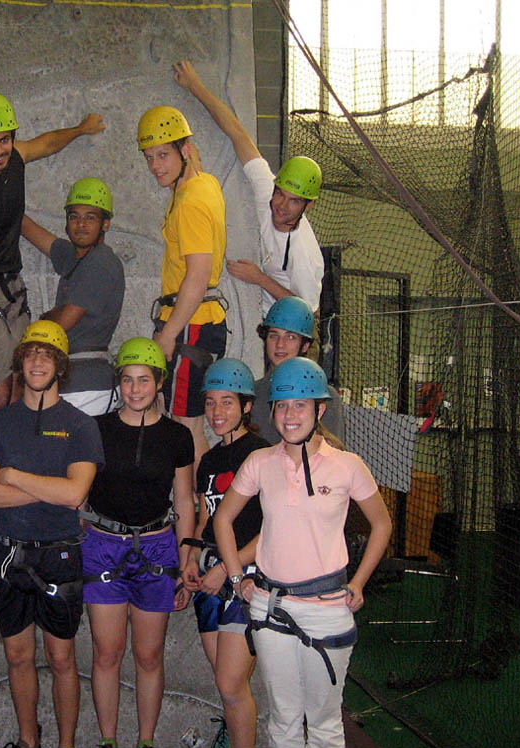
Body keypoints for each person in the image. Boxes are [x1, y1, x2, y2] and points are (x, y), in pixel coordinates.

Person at [213, 358, 392, 748]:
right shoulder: (260, 462)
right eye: (281, 406)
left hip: (327, 608)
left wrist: (360, 582)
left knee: (326, 721)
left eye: (299, 406)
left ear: (319, 410)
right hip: (271, 606)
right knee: (283, 719)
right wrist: (238, 576)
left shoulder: (347, 466)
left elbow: (382, 523)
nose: (288, 415)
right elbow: (223, 518)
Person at [0, 320, 104, 748]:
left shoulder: (81, 425)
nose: (38, 362)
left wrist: (12, 476)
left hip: (60, 553)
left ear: (60, 367)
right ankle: (30, 741)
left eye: (47, 356)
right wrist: (50, 489)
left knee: (62, 656)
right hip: (8, 552)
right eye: (31, 355)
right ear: (20, 362)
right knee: (17, 654)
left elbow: (75, 495)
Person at [0, 91, 105, 417]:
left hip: (11, 286)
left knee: (20, 386)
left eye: (4, 140)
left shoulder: (14, 159)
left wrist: (80, 129)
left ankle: (1, 464)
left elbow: (48, 143)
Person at [82, 338, 196, 748]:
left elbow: (184, 500)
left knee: (149, 655)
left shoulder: (177, 436)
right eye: (127, 380)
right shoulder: (97, 428)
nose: (134, 389)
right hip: (104, 546)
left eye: (143, 380)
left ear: (159, 382)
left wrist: (186, 560)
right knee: (107, 652)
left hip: (157, 546)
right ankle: (109, 744)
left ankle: (146, 744)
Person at [173, 60, 324, 319]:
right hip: (264, 318)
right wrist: (195, 86)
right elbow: (237, 134)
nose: (281, 205)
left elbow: (307, 310)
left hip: (294, 327)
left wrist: (259, 278)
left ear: (308, 206)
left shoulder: (305, 254)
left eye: (294, 202)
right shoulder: (268, 194)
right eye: (280, 194)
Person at [182, 359, 269, 748]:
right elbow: (204, 518)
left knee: (231, 684)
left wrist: (226, 570)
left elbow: (274, 530)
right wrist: (192, 563)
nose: (217, 412)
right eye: (212, 403)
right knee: (227, 685)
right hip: (213, 576)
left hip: (246, 577)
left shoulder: (263, 455)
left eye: (228, 403)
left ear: (247, 407)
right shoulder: (212, 461)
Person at [137, 104, 227, 470]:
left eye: (163, 154)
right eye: (149, 158)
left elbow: (198, 275)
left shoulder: (191, 200)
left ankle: (201, 515)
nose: (156, 165)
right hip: (198, 320)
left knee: (187, 427)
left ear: (185, 149)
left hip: (190, 324)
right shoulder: (204, 184)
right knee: (180, 421)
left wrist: (169, 334)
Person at [21, 177, 125, 416]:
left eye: (91, 217)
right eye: (74, 216)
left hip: (84, 384)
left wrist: (45, 319)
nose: (81, 224)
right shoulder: (77, 257)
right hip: (78, 377)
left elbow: (60, 324)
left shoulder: (100, 263)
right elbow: (30, 230)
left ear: (105, 224)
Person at [252, 296, 344, 445]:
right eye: (273, 335)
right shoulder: (253, 395)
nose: (280, 344)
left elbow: (333, 456)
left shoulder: (325, 397)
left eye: (290, 337)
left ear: (305, 346)